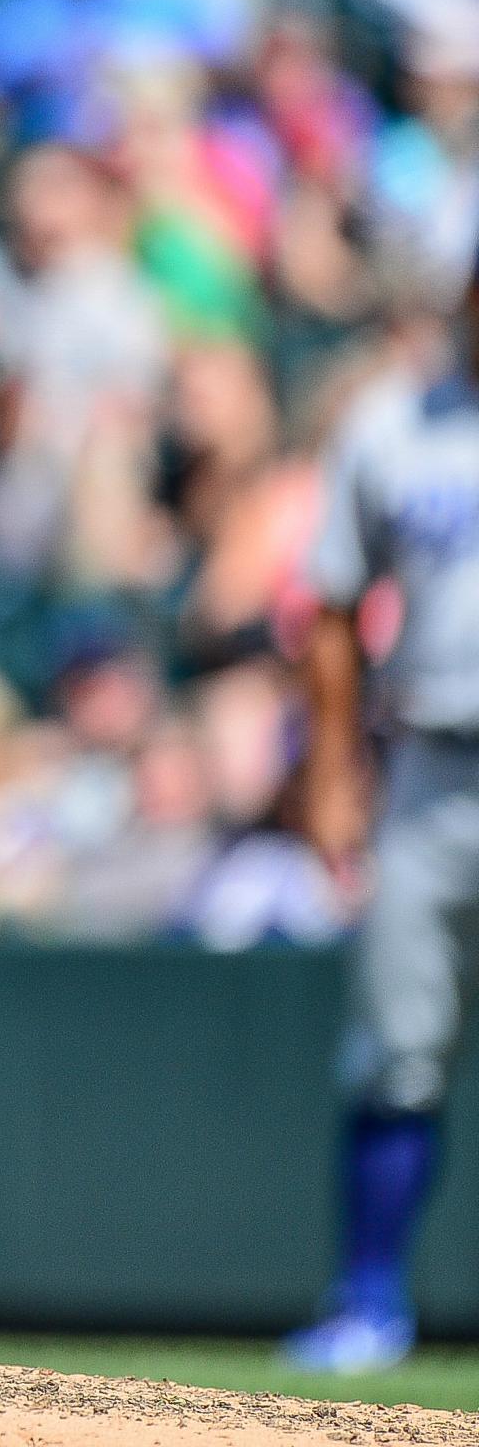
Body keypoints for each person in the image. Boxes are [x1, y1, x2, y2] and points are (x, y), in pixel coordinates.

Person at [283, 273, 479, 1373]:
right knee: (396, 1047)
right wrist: (330, 772)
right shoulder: (395, 422)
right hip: (432, 764)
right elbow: (332, 605)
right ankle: (368, 1300)